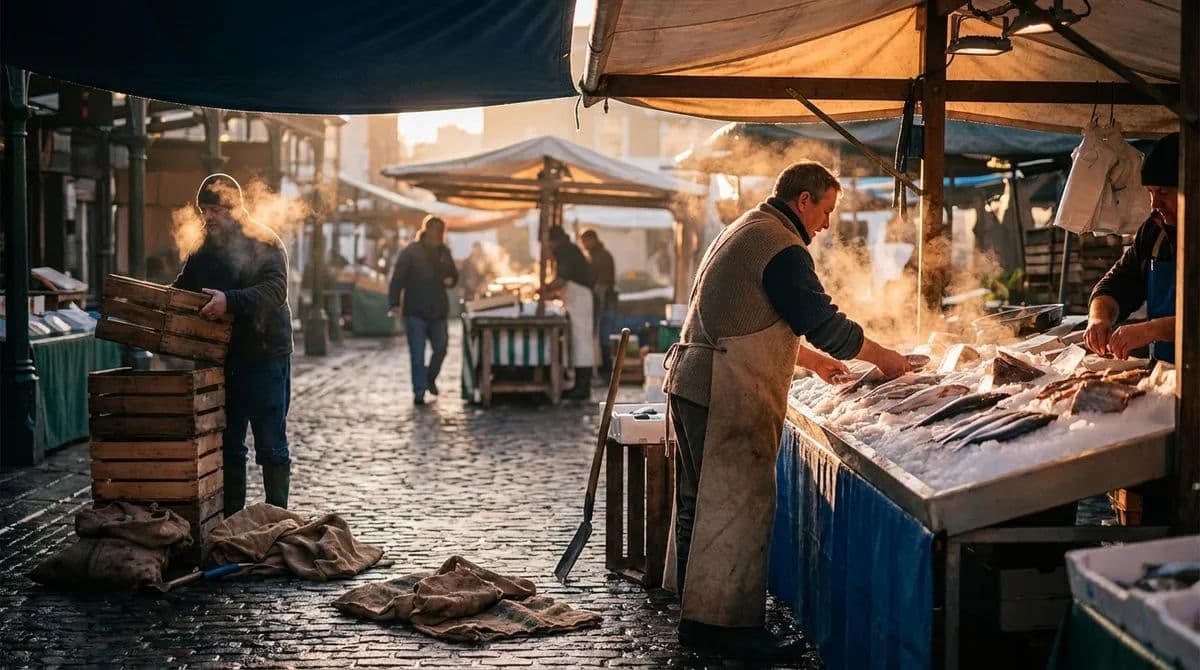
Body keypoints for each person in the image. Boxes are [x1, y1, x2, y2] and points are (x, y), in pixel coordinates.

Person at [662, 161, 910, 661]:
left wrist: (813, 362)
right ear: (803, 201)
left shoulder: (751, 225)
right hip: (721, 388)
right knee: (733, 506)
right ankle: (725, 629)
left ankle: (698, 620)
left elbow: (754, 315)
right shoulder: (782, 246)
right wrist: (884, 358)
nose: (826, 224)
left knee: (701, 504)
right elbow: (822, 321)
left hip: (692, 382)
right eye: (826, 211)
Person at [174, 173, 294, 513]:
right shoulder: (203, 249)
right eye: (204, 210)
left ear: (235, 209)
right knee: (228, 445)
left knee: (271, 445)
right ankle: (231, 521)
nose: (208, 217)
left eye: (215, 210)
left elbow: (275, 291)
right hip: (222, 359)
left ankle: (276, 517)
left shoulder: (265, 241)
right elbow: (184, 289)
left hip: (266, 355)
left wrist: (229, 301)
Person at [1085, 132, 1180, 363]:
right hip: (1164, 374)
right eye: (1150, 192)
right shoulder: (1154, 231)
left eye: (1163, 192)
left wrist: (1152, 330)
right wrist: (1098, 318)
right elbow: (1118, 283)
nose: (1155, 204)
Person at [389, 216, 458, 405]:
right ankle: (419, 391)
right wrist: (394, 302)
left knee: (441, 349)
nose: (438, 236)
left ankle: (429, 378)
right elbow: (398, 278)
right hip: (415, 311)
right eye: (436, 232)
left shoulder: (444, 252)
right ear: (427, 231)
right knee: (417, 354)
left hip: (438, 310)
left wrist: (451, 280)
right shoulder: (411, 252)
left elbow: (453, 274)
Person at [546, 225, 595, 399]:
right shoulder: (569, 249)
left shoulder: (565, 250)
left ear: (553, 241)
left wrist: (545, 289)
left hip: (580, 297)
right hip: (577, 298)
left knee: (581, 340)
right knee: (578, 340)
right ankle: (579, 383)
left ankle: (583, 387)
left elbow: (562, 279)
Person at [579, 228, 618, 375]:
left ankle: (606, 370)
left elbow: (600, 282)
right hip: (602, 299)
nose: (584, 245)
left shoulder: (601, 256)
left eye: (585, 241)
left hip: (605, 300)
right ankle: (604, 369)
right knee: (602, 335)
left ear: (592, 240)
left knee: (604, 336)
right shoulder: (596, 255)